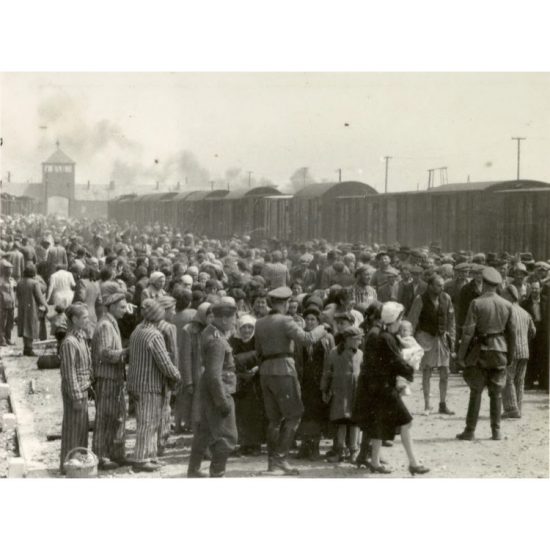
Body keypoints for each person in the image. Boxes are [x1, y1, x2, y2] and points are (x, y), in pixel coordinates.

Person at [254, 286, 326, 475]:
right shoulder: (286, 320)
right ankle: (281, 459)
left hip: (266, 372)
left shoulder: (259, 323)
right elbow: (307, 339)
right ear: (285, 303)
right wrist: (322, 328)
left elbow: (259, 351)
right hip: (284, 370)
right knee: (294, 415)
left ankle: (272, 462)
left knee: (274, 419)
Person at [363, 301, 429, 475]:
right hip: (385, 389)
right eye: (401, 318)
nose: (402, 321)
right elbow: (397, 362)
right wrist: (410, 369)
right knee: (407, 422)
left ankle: (375, 462)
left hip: (379, 387)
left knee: (378, 424)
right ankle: (413, 463)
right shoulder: (387, 338)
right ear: (396, 319)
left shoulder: (384, 336)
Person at [456, 267, 516, 441]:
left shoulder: (476, 303)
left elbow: (467, 333)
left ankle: (470, 430)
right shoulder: (506, 305)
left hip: (480, 351)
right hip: (500, 351)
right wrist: (510, 356)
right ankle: (496, 431)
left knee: (476, 391)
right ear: (497, 285)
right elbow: (511, 333)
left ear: (484, 283)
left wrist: (461, 356)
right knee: (496, 393)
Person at [127, 299, 181, 472]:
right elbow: (164, 362)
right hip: (149, 385)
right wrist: (176, 375)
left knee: (146, 421)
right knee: (148, 423)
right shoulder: (154, 335)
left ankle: (150, 455)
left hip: (136, 382)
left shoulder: (137, 330)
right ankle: (142, 458)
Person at [187, 301, 238, 477]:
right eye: (233, 318)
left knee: (204, 433)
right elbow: (214, 375)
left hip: (208, 391)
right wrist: (222, 402)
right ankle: (217, 474)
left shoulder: (209, 332)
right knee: (228, 437)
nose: (234, 322)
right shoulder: (217, 341)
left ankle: (193, 471)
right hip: (219, 391)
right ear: (223, 319)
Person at [91, 283, 129, 470]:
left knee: (117, 416)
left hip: (114, 378)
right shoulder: (105, 325)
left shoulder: (111, 322)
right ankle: (101, 455)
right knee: (105, 418)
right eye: (122, 307)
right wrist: (126, 352)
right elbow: (105, 353)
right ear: (112, 306)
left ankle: (115, 452)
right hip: (106, 378)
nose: (125, 310)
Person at [407, 274, 456, 415]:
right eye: (438, 285)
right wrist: (412, 342)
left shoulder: (446, 298)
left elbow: (452, 320)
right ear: (430, 285)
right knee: (427, 371)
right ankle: (427, 405)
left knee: (445, 372)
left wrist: (451, 338)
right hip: (426, 338)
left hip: (442, 339)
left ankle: (442, 404)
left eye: (442, 285)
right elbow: (412, 320)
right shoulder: (420, 299)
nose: (441, 288)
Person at [295, 306, 334, 461]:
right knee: (305, 414)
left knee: (317, 414)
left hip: (320, 380)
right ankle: (305, 447)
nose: (310, 322)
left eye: (313, 319)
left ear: (318, 322)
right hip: (305, 380)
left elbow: (330, 359)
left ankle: (315, 448)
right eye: (308, 319)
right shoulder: (301, 337)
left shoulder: (327, 337)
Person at [321, 325, 363, 463]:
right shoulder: (334, 353)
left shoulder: (360, 354)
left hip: (355, 393)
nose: (360, 342)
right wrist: (324, 390)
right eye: (357, 339)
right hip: (340, 393)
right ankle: (340, 450)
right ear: (348, 339)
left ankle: (354, 450)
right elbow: (327, 372)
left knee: (355, 422)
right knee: (341, 422)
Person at [59, 304, 92, 475]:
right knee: (73, 428)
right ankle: (68, 464)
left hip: (83, 388)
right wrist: (77, 396)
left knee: (81, 428)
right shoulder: (69, 342)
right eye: (85, 317)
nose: (88, 320)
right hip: (75, 392)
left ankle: (77, 462)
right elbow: (69, 373)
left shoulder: (81, 337)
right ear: (74, 319)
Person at [230, 315, 265, 456]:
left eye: (250, 327)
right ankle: (244, 443)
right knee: (242, 413)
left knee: (255, 413)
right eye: (244, 327)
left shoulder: (259, 341)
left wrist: (256, 369)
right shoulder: (234, 342)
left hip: (256, 381)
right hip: (241, 382)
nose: (247, 330)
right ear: (239, 328)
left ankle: (256, 444)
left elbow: (264, 358)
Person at [502, 285, 535, 418]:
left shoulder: (507, 310)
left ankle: (511, 409)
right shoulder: (525, 312)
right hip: (524, 350)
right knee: (520, 380)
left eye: (504, 294)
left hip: (512, 350)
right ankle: (518, 408)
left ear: (510, 295)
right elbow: (533, 331)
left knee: (508, 379)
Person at [16, 263, 49, 356]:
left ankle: (26, 347)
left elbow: (18, 295)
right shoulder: (34, 283)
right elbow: (39, 297)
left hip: (22, 307)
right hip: (32, 307)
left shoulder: (20, 282)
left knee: (24, 326)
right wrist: (45, 306)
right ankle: (29, 349)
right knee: (30, 326)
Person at [395, 319, 424, 396]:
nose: (402, 332)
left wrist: (400, 339)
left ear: (410, 332)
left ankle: (406, 386)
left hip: (412, 358)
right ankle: (405, 387)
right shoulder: (406, 337)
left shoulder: (409, 338)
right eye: (400, 330)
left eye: (405, 330)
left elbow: (407, 345)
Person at [0, 259, 16, 346]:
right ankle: (1, 339)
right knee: (2, 323)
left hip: (11, 304)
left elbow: (14, 291)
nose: (10, 271)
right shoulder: (0, 280)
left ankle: (8, 338)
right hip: (2, 304)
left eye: (10, 269)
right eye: (7, 269)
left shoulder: (11, 280)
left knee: (10, 322)